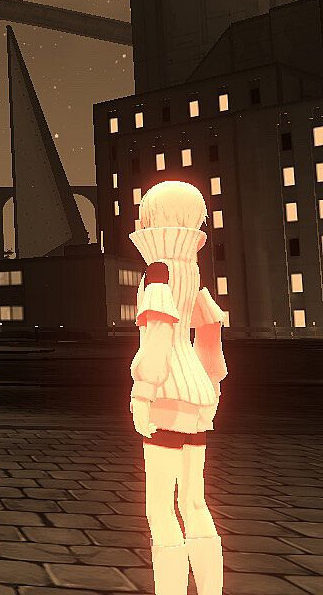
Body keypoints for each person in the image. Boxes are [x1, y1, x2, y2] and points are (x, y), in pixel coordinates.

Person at [128, 180, 228, 595]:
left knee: (159, 507)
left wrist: (142, 391)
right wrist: (213, 382)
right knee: (194, 500)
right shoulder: (193, 272)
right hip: (197, 393)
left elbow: (159, 333)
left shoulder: (158, 272)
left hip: (167, 392)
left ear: (149, 221)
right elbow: (211, 326)